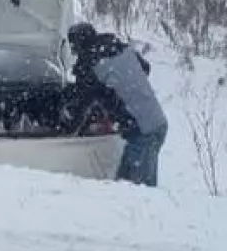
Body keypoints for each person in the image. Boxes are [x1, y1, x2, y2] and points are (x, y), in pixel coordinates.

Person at [67, 23, 168, 187]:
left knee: (139, 195)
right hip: (155, 121)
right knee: (123, 188)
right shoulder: (120, 47)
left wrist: (69, 128)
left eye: (74, 47)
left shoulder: (90, 64)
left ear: (78, 45)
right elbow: (145, 68)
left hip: (143, 131)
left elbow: (82, 103)